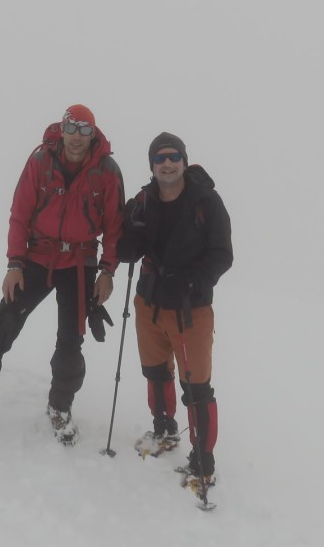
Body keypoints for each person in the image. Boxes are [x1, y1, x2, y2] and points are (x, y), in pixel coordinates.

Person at [0, 104, 124, 445]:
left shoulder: (107, 171)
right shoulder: (40, 161)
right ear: (62, 128)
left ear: (93, 134)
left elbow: (114, 227)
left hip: (80, 262)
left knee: (70, 341)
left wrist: (107, 271)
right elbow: (20, 214)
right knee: (2, 328)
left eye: (85, 130)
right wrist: (14, 264)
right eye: (71, 127)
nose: (77, 136)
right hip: (36, 257)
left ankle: (60, 407)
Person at [117, 132, 233, 487]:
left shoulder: (206, 202)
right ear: (152, 165)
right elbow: (125, 251)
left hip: (189, 308)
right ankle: (164, 428)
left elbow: (222, 254)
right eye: (160, 158)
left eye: (173, 156)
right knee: (155, 372)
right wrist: (132, 231)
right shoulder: (143, 201)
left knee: (197, 386)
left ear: (183, 161)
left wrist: (196, 281)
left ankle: (203, 459)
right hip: (149, 303)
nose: (167, 163)